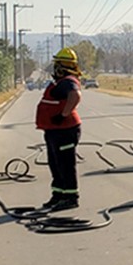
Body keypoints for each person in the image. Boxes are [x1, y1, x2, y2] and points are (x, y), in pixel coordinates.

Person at [34, 47, 83, 211]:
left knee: (65, 165)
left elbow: (75, 95)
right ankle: (58, 195)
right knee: (55, 164)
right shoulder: (61, 82)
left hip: (65, 130)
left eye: (57, 64)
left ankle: (70, 197)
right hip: (54, 131)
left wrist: (63, 115)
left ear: (63, 65)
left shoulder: (68, 81)